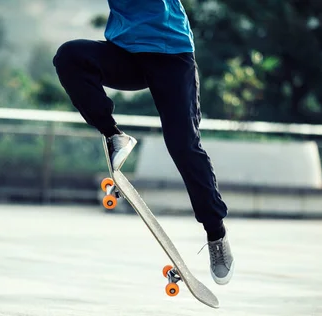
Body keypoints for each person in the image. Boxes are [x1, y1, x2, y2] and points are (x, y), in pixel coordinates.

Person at [53, 0, 235, 285]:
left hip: (171, 52)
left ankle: (216, 232)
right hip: (126, 54)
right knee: (69, 56)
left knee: (183, 145)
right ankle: (114, 135)